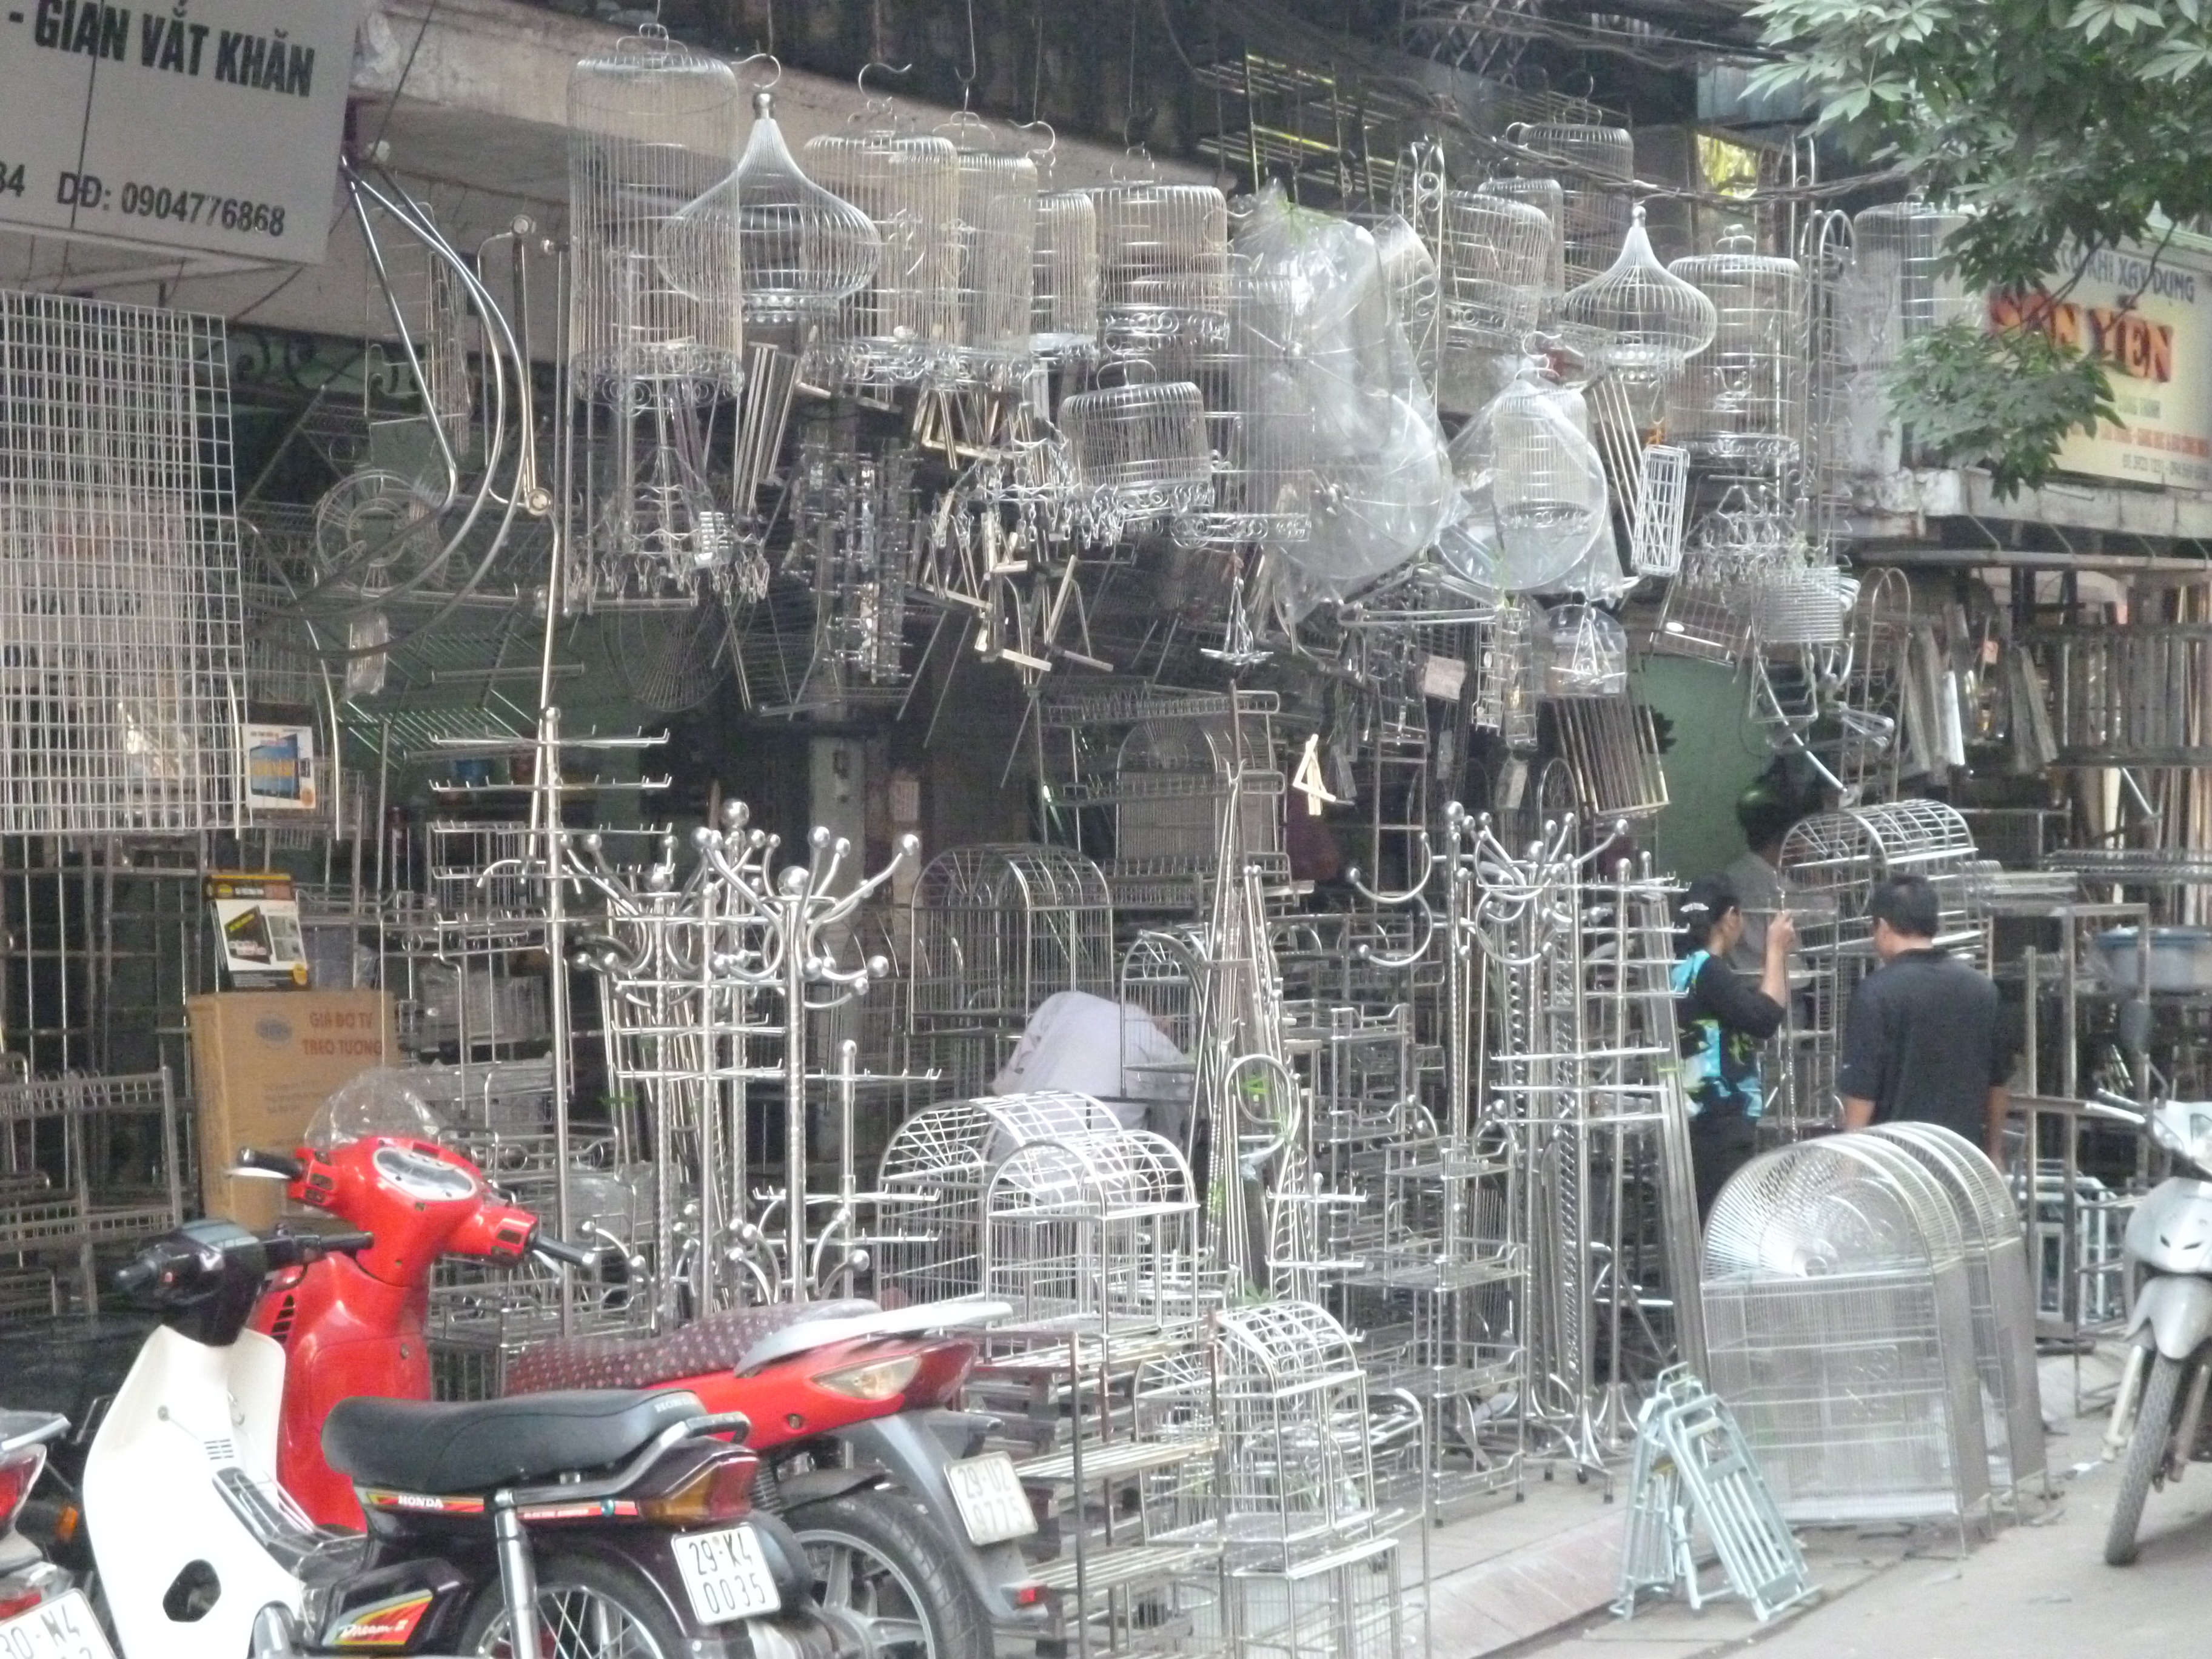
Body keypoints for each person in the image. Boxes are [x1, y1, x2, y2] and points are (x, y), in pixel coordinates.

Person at [1837, 874, 2008, 1158]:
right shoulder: (1983, 990)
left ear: (1882, 927)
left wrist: (1849, 1167)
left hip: (1896, 1163)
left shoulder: (1875, 994)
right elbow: (1997, 1084)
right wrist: (1995, 1154)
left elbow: (1862, 1092)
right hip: (1962, 1162)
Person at [1672, 874, 1797, 1218]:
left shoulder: (1679, 969)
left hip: (1693, 1113)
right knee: (1724, 1221)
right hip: (1720, 1116)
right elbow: (1764, 1018)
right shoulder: (1708, 971)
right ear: (1730, 917)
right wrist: (1775, 950)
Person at [1725, 782, 1801, 975]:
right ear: (1782, 839)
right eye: (1799, 837)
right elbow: (1826, 910)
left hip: (1743, 976)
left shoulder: (1731, 875)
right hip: (1782, 979)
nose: (1805, 845)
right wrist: (1816, 867)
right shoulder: (1777, 883)